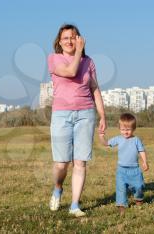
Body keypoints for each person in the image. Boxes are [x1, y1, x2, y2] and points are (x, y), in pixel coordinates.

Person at [48, 24, 106, 217]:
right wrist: (79, 51)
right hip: (61, 115)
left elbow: (95, 89)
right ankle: (58, 187)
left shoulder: (89, 62)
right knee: (61, 164)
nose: (70, 41)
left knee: (80, 162)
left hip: (85, 114)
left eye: (73, 37)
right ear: (59, 41)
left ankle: (74, 205)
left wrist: (102, 115)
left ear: (79, 38)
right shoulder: (54, 59)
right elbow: (71, 72)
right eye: (66, 38)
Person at [98, 113, 149, 215]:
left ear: (133, 128)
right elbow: (106, 143)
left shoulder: (136, 140)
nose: (125, 132)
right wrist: (101, 136)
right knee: (121, 188)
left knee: (139, 186)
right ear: (119, 128)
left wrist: (145, 162)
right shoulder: (118, 138)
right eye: (123, 129)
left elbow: (141, 151)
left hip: (135, 169)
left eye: (128, 129)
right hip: (121, 170)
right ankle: (121, 205)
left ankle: (138, 198)